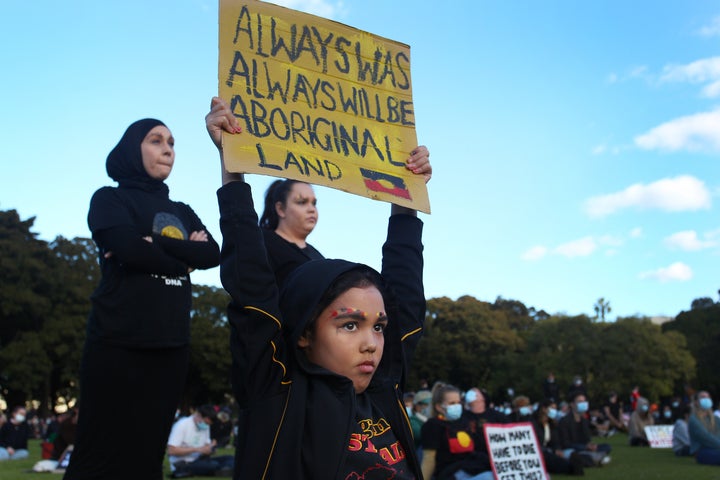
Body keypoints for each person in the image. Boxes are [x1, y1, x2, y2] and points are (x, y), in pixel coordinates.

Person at [206, 96, 431, 478]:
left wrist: (406, 197)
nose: (371, 343)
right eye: (349, 324)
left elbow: (406, 293)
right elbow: (252, 292)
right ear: (306, 332)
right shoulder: (278, 393)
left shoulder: (384, 385)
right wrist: (232, 167)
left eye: (378, 326)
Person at [64, 118, 220, 480]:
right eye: (155, 141)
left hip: (171, 344)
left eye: (171, 142)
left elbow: (213, 254)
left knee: (148, 452)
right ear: (133, 150)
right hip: (118, 340)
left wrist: (159, 244)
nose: (168, 149)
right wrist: (184, 257)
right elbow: (129, 250)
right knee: (98, 451)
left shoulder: (182, 209)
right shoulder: (109, 198)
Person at [420, 384, 493, 480]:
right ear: (439, 407)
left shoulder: (464, 422)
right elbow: (429, 459)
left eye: (458, 402)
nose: (457, 406)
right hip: (451, 474)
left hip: (473, 468)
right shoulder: (433, 426)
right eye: (452, 403)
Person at [259, 179, 324, 286]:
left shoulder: (318, 256)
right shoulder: (262, 243)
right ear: (280, 209)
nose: (311, 209)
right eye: (302, 202)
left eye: (314, 203)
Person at [167, 405, 234, 478]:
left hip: (201, 459)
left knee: (230, 458)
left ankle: (224, 469)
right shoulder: (182, 425)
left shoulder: (205, 426)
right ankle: (223, 470)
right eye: (206, 423)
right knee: (214, 465)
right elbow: (172, 451)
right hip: (184, 462)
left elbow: (206, 444)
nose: (206, 425)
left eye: (208, 424)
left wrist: (211, 447)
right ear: (198, 415)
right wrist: (197, 449)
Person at [532, 400, 585, 476]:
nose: (554, 411)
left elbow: (555, 441)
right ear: (544, 409)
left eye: (555, 408)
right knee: (554, 460)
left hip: (553, 450)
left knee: (571, 452)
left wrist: (557, 449)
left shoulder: (551, 424)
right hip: (543, 451)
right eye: (552, 408)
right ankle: (572, 467)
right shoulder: (535, 423)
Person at [557, 393, 611, 467]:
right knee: (574, 453)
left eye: (584, 401)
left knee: (607, 446)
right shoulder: (564, 421)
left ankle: (594, 457)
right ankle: (595, 458)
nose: (583, 404)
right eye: (580, 401)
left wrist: (591, 445)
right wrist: (585, 447)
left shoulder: (584, 421)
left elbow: (587, 438)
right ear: (572, 404)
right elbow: (565, 443)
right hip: (573, 448)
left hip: (585, 447)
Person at [688, 390, 720, 465]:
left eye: (708, 397)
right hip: (702, 451)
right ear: (696, 402)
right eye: (703, 397)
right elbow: (705, 437)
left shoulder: (715, 418)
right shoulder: (694, 419)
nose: (706, 399)